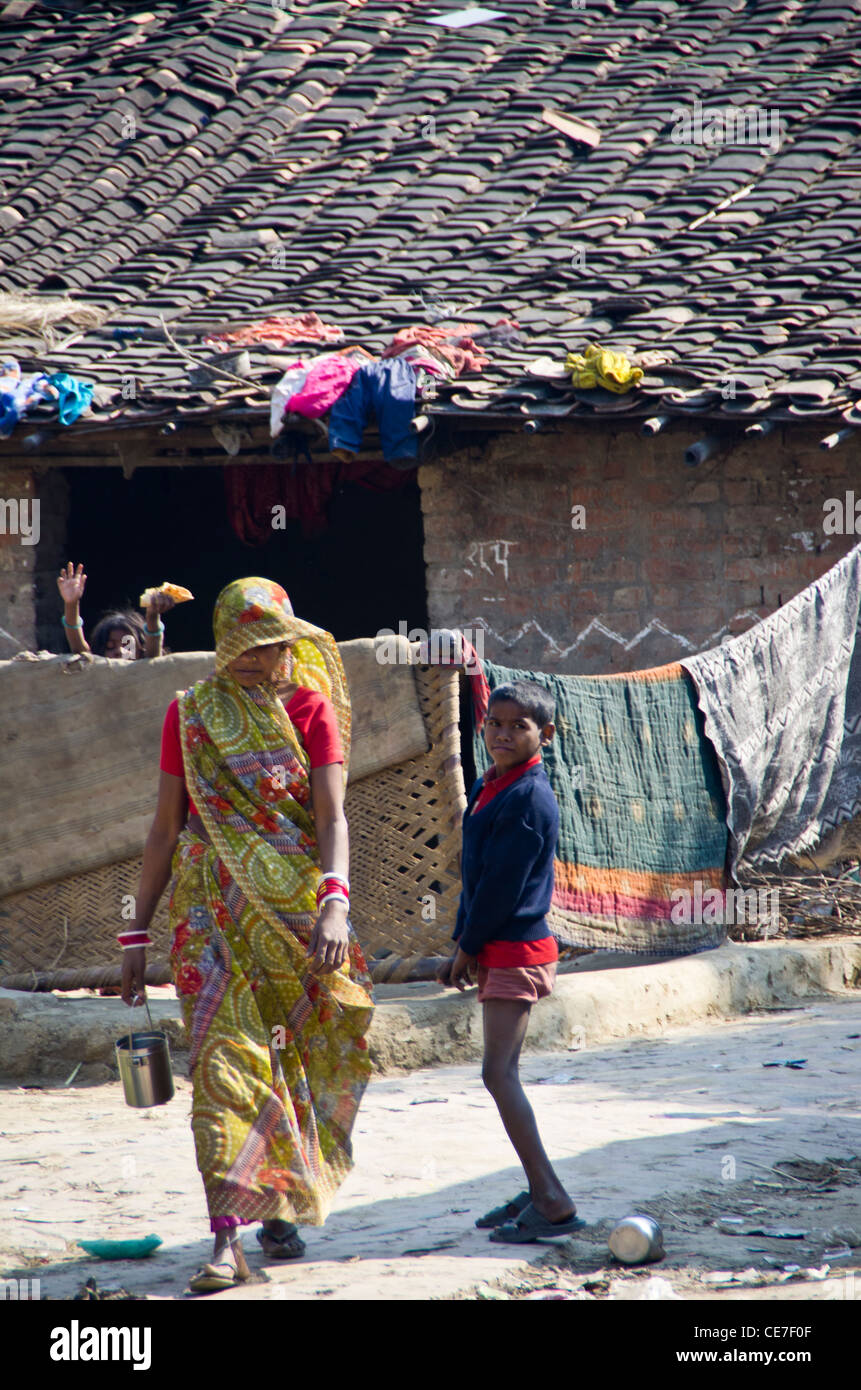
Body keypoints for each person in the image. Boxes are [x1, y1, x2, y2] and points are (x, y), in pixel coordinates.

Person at [120, 576, 374, 1293]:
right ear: (222, 645)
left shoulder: (310, 708)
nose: (259, 663)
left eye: (271, 648)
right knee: (223, 1066)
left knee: (292, 1059)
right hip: (207, 916)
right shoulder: (191, 714)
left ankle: (280, 1200)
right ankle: (226, 1240)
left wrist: (333, 903)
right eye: (244, 648)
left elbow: (330, 820)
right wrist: (134, 934)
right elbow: (165, 829)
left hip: (295, 915)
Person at [437, 679, 582, 1243]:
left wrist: (469, 948)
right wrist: (461, 942)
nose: (501, 733)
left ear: (543, 735)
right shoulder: (491, 785)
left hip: (516, 949)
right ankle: (537, 1186)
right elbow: (474, 876)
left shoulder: (529, 799)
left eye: (517, 726)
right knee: (502, 1073)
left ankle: (551, 1200)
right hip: (494, 944)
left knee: (498, 1074)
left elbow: (501, 888)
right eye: (494, 723)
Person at [57, 561, 175, 659]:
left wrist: (152, 616)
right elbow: (78, 645)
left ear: (142, 649)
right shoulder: (96, 669)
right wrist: (71, 604)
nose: (119, 651)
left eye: (127, 645)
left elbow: (153, 649)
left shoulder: (147, 666)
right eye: (110, 647)